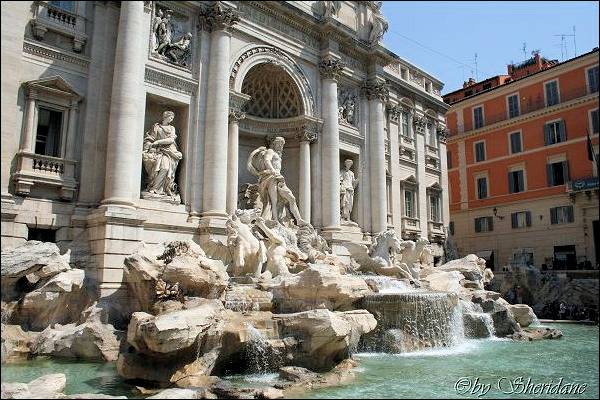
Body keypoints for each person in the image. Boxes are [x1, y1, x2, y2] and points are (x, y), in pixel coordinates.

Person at [247, 136, 306, 226]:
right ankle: (275, 220)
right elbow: (267, 160)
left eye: (282, 145)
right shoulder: (270, 151)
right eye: (279, 144)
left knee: (291, 198)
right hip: (271, 176)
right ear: (274, 144)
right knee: (273, 200)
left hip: (279, 178)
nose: (280, 146)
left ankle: (299, 219)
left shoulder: (278, 155)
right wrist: (273, 171)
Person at [142, 111, 182, 198]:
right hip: (158, 151)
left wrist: (158, 142)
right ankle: (154, 188)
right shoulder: (156, 127)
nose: (171, 120)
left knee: (165, 168)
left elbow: (171, 140)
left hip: (169, 151)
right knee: (157, 169)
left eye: (172, 118)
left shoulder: (172, 128)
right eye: (170, 117)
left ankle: (158, 188)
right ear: (165, 117)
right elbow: (150, 138)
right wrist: (147, 148)